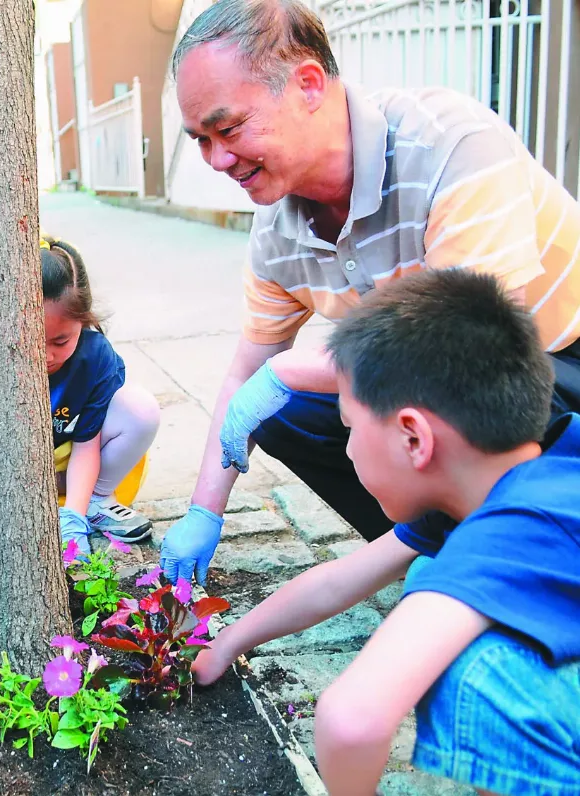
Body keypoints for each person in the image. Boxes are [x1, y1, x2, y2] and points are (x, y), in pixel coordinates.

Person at [160, 0, 580, 586]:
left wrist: (291, 372)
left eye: (228, 128)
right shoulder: (277, 231)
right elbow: (248, 371)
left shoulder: (450, 145)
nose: (217, 159)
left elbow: (462, 346)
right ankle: (425, 547)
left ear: (307, 84)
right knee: (285, 413)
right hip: (442, 377)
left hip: (547, 365)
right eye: (200, 139)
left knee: (419, 404)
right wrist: (204, 510)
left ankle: (502, 565)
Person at [192, 269, 580, 795]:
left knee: (475, 674)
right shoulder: (537, 461)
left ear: (414, 438)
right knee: (424, 568)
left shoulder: (512, 531)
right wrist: (227, 644)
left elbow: (352, 720)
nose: (347, 448)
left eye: (349, 427)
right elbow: (338, 581)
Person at [41, 237, 161, 557]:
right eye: (34, 339)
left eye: (60, 341)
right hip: (17, 471)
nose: (47, 355)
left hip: (78, 465)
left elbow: (87, 444)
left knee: (140, 409)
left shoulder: (94, 357)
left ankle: (96, 502)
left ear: (83, 319)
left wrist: (73, 519)